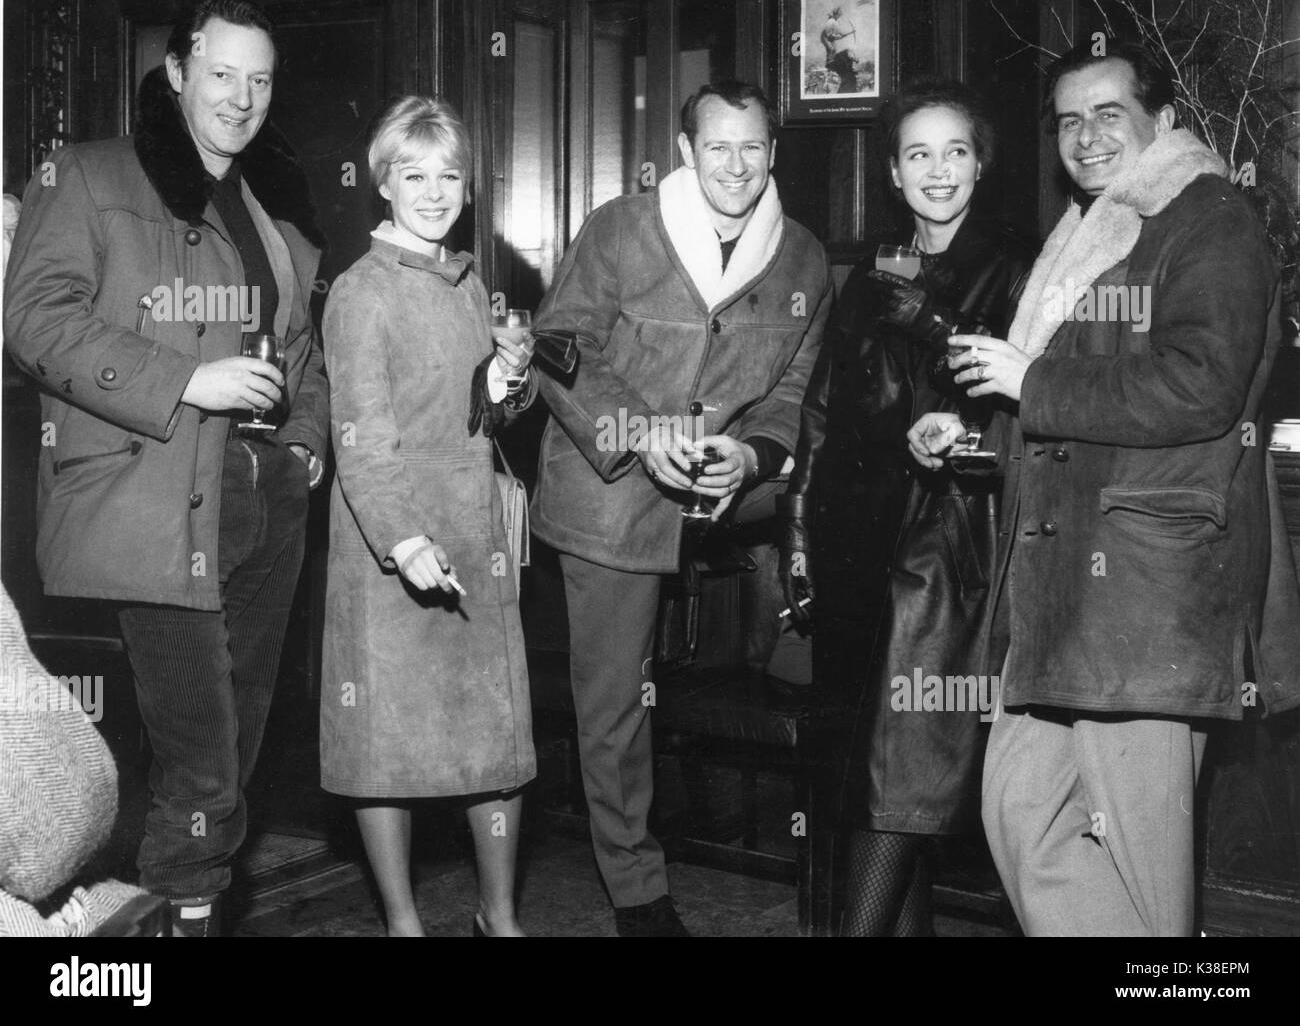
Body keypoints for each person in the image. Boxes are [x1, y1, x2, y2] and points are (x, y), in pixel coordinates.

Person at [908, 42, 1300, 936]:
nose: (1084, 136)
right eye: (1068, 120)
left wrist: (1028, 384)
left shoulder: (1209, 219)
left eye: (1107, 113)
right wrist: (975, 436)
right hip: (1060, 601)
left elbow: (1201, 387)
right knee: (1019, 814)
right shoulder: (1093, 227)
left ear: (1161, 120)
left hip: (1150, 595)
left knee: (1141, 862)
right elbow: (1067, 405)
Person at [4, 0, 329, 936]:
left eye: (260, 79)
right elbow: (32, 321)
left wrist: (305, 447)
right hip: (154, 496)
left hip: (263, 498)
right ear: (179, 72)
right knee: (204, 762)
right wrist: (191, 380)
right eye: (221, 73)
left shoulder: (271, 209)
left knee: (235, 754)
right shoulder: (91, 173)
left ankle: (175, 923)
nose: (242, 97)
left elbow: (303, 348)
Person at [532, 80, 832, 936]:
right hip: (610, 492)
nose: (734, 165)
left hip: (724, 503)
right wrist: (640, 428)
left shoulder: (803, 257)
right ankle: (637, 890)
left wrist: (751, 455)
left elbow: (792, 395)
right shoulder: (621, 228)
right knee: (618, 701)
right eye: (717, 147)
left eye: (752, 147)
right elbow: (560, 347)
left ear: (772, 152)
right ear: (686, 149)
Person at [778, 78, 1037, 936]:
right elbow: (820, 415)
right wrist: (800, 537)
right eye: (918, 153)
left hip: (945, 556)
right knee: (876, 784)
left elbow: (1012, 401)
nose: (937, 170)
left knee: (901, 779)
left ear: (979, 164)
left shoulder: (1019, 264)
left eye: (954, 151)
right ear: (892, 171)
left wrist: (927, 317)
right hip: (859, 552)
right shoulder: (869, 274)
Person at [320, 96, 537, 938]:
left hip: (473, 529)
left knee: (494, 734)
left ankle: (500, 916)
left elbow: (469, 415)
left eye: (449, 174)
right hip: (391, 536)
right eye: (414, 174)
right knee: (386, 744)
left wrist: (499, 384)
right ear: (383, 182)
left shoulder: (468, 278)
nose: (435, 190)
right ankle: (403, 923)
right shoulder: (360, 291)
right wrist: (404, 540)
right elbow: (362, 439)